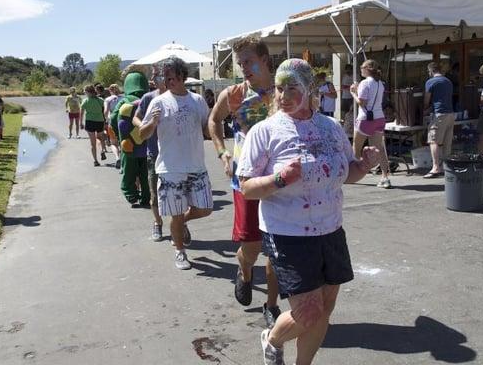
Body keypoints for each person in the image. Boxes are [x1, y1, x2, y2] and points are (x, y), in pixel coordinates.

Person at [236, 59, 380, 365]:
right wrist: (279, 179)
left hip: (330, 228)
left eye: (292, 88)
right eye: (279, 88)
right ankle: (272, 339)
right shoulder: (265, 131)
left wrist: (364, 166)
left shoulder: (330, 127)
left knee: (324, 309)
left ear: (309, 90)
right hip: (287, 232)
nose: (283, 95)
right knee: (308, 312)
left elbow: (348, 172)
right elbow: (247, 187)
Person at [208, 36, 280, 328]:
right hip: (246, 179)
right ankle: (245, 272)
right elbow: (213, 122)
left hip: (278, 180)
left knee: (276, 248)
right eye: (240, 64)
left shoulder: (283, 90)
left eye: (249, 61)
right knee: (251, 247)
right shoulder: (234, 94)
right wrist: (223, 153)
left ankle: (272, 305)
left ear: (264, 59)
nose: (244, 68)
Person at [140, 56, 213, 270]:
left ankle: (182, 224)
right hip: (170, 168)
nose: (168, 80)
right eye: (166, 76)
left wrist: (218, 124)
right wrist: (152, 122)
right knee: (176, 214)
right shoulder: (159, 102)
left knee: (206, 208)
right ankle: (180, 251)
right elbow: (142, 134)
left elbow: (207, 129)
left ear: (182, 76)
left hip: (197, 166)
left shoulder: (197, 101)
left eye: (172, 76)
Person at [110, 72, 151, 208]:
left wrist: (118, 135)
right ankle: (146, 197)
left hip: (129, 145)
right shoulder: (150, 99)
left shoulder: (124, 101)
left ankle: (131, 194)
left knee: (129, 172)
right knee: (146, 173)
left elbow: (113, 120)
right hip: (148, 145)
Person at [350, 59, 392, 189]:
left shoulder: (364, 83)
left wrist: (353, 92)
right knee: (379, 149)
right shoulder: (380, 84)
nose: (360, 69)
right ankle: (385, 177)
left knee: (356, 148)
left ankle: (352, 174)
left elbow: (362, 102)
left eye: (362, 67)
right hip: (379, 118)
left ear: (367, 69)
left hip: (365, 119)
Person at [133, 74, 166, 241]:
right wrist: (146, 125)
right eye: (153, 76)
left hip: (174, 155)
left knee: (180, 195)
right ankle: (157, 223)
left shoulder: (177, 96)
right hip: (154, 153)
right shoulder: (148, 98)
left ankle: (181, 224)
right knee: (155, 194)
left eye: (157, 75)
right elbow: (135, 118)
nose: (154, 79)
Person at [423, 62, 455, 178]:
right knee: (447, 142)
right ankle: (447, 167)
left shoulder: (430, 82)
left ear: (430, 71)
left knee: (434, 140)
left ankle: (436, 168)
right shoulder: (448, 81)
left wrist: (425, 109)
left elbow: (426, 100)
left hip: (439, 114)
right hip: (451, 114)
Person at [80, 85, 107, 166]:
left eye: (85, 92)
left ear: (88, 92)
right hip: (99, 121)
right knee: (100, 137)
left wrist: (81, 123)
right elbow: (105, 110)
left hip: (90, 122)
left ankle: (95, 161)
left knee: (92, 143)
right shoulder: (101, 100)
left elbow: (81, 113)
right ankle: (102, 149)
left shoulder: (85, 101)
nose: (84, 93)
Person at [104, 84, 124, 168]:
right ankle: (123, 160)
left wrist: (106, 119)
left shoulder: (108, 99)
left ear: (110, 90)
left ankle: (117, 157)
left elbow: (105, 111)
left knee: (114, 143)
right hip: (122, 121)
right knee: (122, 142)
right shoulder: (123, 98)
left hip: (112, 121)